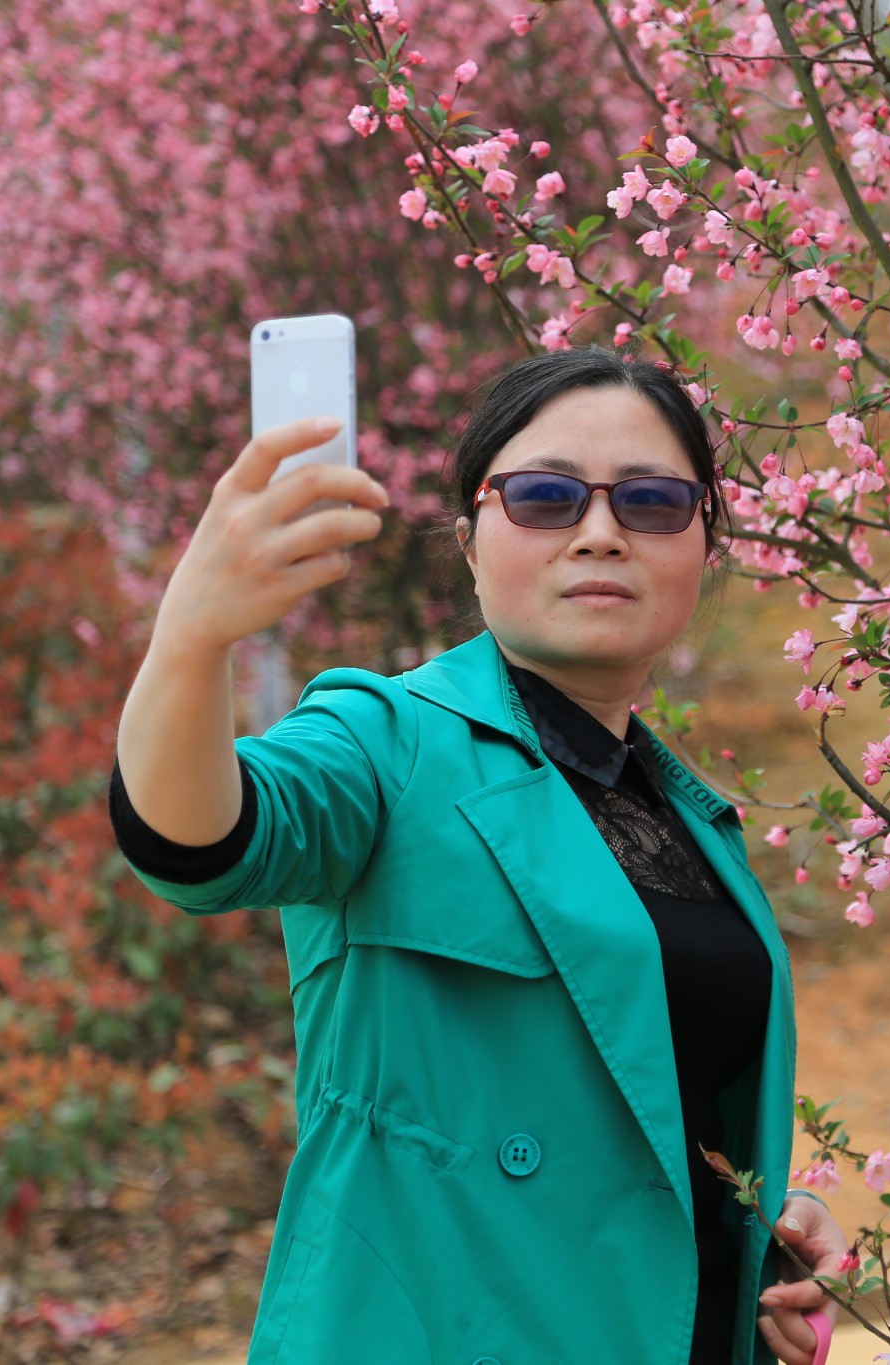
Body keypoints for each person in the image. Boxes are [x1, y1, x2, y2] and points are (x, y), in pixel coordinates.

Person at [106, 347, 845, 1364]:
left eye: (652, 501)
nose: (599, 533)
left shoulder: (694, 823)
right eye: (543, 497)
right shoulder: (386, 744)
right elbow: (198, 841)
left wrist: (763, 1226)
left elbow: (644, 1115)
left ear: (703, 546)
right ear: (468, 541)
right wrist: (190, 640)